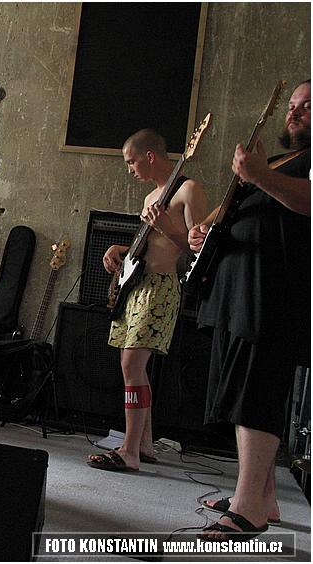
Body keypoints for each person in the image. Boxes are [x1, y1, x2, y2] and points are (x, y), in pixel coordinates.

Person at [189, 79, 310, 540]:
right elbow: (240, 207)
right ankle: (263, 498)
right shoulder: (277, 161)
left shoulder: (293, 166)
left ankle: (248, 509)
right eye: (292, 105)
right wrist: (204, 228)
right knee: (240, 391)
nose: (293, 112)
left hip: (273, 296)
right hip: (239, 293)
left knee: (255, 395)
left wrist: (258, 176)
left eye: (306, 106)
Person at [88, 129, 207, 472]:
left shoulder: (189, 190)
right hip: (136, 286)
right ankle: (144, 443)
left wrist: (168, 226)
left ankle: (129, 450)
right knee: (131, 367)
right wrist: (121, 249)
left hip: (161, 287)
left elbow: (198, 249)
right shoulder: (152, 196)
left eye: (131, 162)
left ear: (150, 156)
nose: (130, 170)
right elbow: (152, 245)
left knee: (131, 366)